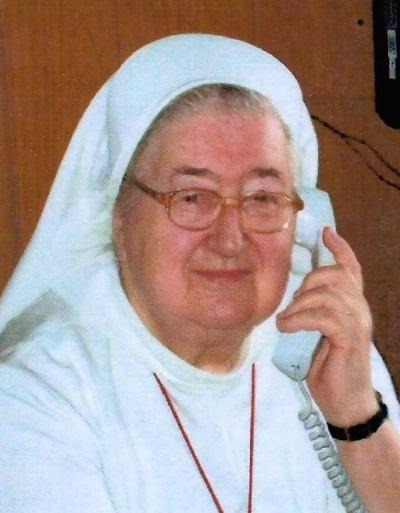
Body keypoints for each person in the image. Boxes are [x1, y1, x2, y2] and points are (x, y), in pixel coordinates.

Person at [0, 33, 399, 513]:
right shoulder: (33, 396)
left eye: (262, 199)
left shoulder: (325, 344)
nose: (230, 240)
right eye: (191, 198)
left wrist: (356, 416)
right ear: (120, 218)